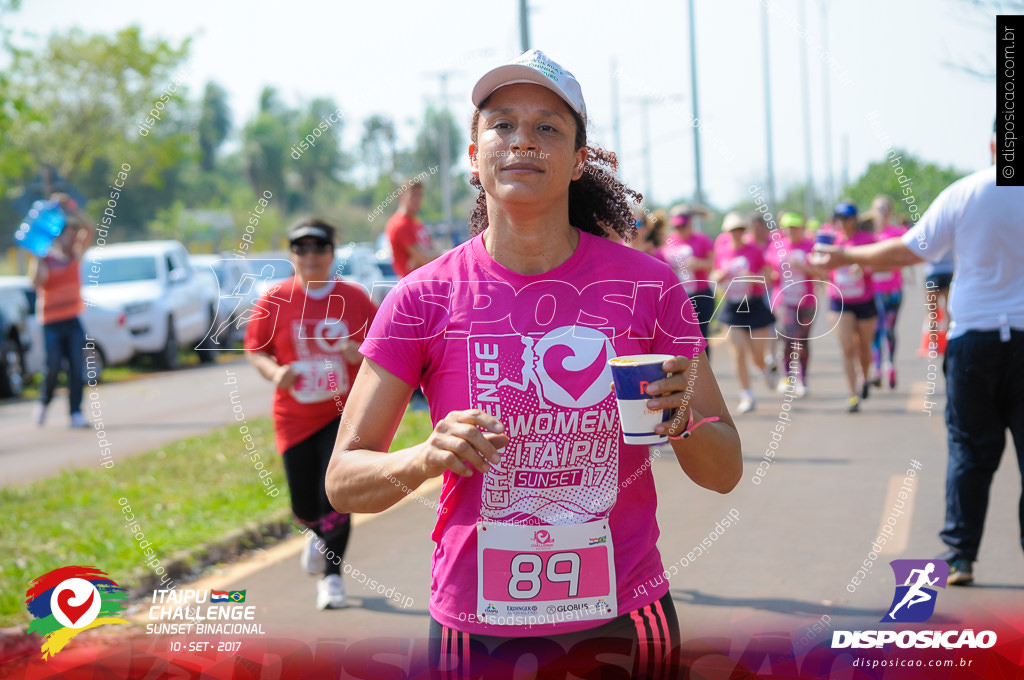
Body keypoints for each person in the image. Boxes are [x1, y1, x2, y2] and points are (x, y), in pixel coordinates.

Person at [326, 49, 742, 677]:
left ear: (578, 162)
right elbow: (343, 481)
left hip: (627, 619)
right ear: (474, 157)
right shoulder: (422, 298)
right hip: (477, 625)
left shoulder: (650, 287)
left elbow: (725, 472)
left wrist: (682, 418)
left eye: (548, 127)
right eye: (502, 124)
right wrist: (426, 457)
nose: (523, 140)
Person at [811, 123, 1024, 585]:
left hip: (975, 342)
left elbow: (910, 251)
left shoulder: (967, 192)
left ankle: (961, 554)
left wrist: (848, 256)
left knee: (970, 447)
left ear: (992, 144)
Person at [244, 218, 377, 609]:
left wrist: (362, 350)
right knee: (303, 504)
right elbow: (256, 349)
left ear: (332, 253)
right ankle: (315, 535)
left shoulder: (354, 299)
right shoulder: (274, 299)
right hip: (294, 416)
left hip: (344, 413)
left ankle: (332, 578)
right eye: (302, 248)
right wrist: (275, 373)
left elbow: (388, 344)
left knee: (334, 496)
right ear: (292, 255)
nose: (311, 256)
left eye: (319, 248)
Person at [28, 194, 93, 428]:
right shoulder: (44, 258)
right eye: (68, 233)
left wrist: (70, 207)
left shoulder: (75, 255)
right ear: (58, 236)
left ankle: (75, 412)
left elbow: (90, 227)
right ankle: (44, 403)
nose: (73, 236)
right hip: (51, 321)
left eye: (74, 234)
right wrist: (38, 254)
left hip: (73, 319)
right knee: (53, 366)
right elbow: (36, 282)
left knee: (77, 367)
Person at [711, 211, 778, 414]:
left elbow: (770, 276)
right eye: (733, 230)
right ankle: (746, 394)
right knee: (738, 353)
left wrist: (753, 276)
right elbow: (714, 274)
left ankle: (764, 370)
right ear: (727, 232)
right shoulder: (722, 252)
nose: (737, 233)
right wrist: (720, 275)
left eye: (740, 229)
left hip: (754, 304)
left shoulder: (754, 250)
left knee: (757, 355)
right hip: (733, 306)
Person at [826, 202, 877, 413]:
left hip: (864, 300)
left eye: (845, 218)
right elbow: (819, 263)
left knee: (864, 347)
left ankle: (864, 377)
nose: (842, 222)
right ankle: (852, 395)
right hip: (839, 301)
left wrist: (864, 267)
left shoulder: (867, 240)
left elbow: (879, 265)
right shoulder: (830, 239)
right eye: (838, 217)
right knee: (848, 347)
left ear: (855, 219)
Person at [765, 212, 819, 397]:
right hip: (783, 300)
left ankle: (803, 380)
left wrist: (803, 267)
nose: (791, 231)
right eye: (788, 227)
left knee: (802, 342)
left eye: (795, 227)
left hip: (806, 300)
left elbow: (821, 272)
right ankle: (787, 377)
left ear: (802, 228)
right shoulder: (775, 247)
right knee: (787, 337)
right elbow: (770, 271)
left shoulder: (810, 246)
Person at [662, 203, 716, 354]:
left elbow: (712, 264)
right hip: (678, 296)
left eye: (683, 226)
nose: (680, 230)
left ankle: (704, 375)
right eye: (677, 227)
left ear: (690, 223)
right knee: (680, 338)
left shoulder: (702, 240)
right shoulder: (668, 241)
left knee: (701, 337)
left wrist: (698, 264)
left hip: (701, 294)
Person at [868, 195, 908, 388]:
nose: (881, 214)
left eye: (885, 210)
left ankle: (889, 364)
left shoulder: (897, 234)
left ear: (890, 212)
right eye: (878, 209)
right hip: (872, 292)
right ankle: (877, 368)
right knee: (875, 331)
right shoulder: (867, 235)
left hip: (893, 291)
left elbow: (906, 257)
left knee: (889, 330)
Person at [386, 179, 437, 278]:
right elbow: (424, 259)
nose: (417, 200)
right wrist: (441, 254)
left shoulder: (417, 223)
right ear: (401, 196)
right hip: (412, 286)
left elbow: (428, 251)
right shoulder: (399, 224)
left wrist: (423, 256)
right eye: (413, 195)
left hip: (426, 281)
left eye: (419, 195)